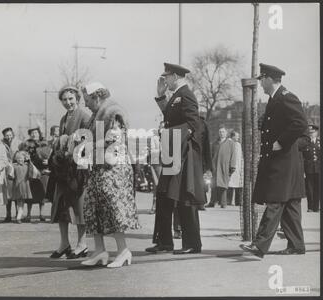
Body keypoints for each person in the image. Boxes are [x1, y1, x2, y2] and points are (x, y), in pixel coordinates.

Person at [240, 63, 308, 258]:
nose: (261, 84)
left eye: (262, 80)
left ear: (270, 79)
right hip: (285, 162)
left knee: (275, 201)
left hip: (283, 162)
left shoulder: (286, 97)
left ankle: (259, 245)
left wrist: (281, 141)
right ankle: (296, 245)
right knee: (290, 205)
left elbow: (300, 123)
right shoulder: (275, 99)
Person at [146, 63, 205, 255]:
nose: (165, 80)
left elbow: (194, 125)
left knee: (184, 200)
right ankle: (164, 242)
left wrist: (168, 133)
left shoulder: (186, 95)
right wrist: (161, 96)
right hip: (175, 154)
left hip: (184, 155)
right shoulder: (176, 96)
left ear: (176, 77)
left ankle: (192, 244)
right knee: (164, 196)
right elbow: (170, 117)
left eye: (167, 77)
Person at [81, 82, 140, 268]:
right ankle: (99, 250)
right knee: (93, 206)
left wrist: (90, 145)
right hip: (100, 168)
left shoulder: (112, 113)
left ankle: (123, 251)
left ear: (96, 97)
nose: (86, 104)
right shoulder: (96, 116)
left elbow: (114, 138)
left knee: (113, 207)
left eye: (87, 100)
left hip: (114, 169)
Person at [48, 85, 91, 259]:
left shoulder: (84, 116)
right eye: (65, 100)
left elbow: (88, 138)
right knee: (61, 205)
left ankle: (82, 243)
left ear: (77, 99)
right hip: (64, 168)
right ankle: (64, 243)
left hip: (78, 167)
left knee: (79, 205)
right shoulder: (64, 118)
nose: (68, 102)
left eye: (71, 99)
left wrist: (71, 142)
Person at [19, 127, 48, 222]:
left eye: (36, 132)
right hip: (31, 170)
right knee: (30, 193)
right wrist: (24, 156)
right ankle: (28, 214)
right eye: (32, 133)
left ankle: (42, 213)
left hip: (42, 171)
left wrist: (47, 162)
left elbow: (49, 154)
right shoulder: (26, 144)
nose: (34, 134)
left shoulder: (44, 143)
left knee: (42, 193)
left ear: (39, 134)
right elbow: (21, 153)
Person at [206, 126, 236, 208]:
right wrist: (210, 166)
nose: (221, 133)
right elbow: (211, 155)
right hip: (215, 167)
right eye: (220, 132)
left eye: (223, 132)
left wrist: (232, 167)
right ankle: (212, 202)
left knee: (223, 186)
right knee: (213, 185)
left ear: (226, 133)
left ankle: (223, 203)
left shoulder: (231, 143)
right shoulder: (215, 143)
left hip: (224, 167)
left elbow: (233, 156)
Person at [2, 127, 21, 222]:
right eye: (6, 135)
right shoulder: (1, 144)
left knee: (17, 192)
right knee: (8, 193)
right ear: (4, 136)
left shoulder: (19, 142)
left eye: (10, 135)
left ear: (13, 134)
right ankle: (8, 214)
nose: (9, 137)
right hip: (7, 169)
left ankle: (18, 214)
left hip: (17, 168)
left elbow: (22, 154)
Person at [8, 151, 33, 223]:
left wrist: (29, 160)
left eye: (21, 159)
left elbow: (31, 171)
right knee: (19, 201)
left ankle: (19, 216)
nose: (20, 160)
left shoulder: (27, 166)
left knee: (22, 201)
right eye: (18, 159)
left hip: (25, 185)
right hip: (17, 185)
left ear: (24, 159)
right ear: (16, 159)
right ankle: (19, 216)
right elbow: (11, 175)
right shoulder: (14, 166)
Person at [301, 123, 320, 212]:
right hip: (308, 169)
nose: (311, 134)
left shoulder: (320, 143)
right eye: (310, 133)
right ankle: (310, 207)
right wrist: (302, 170)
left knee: (318, 188)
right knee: (309, 188)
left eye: (313, 132)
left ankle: (316, 207)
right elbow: (302, 157)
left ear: (317, 133)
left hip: (319, 169)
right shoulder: (305, 143)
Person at [227, 130, 243, 206]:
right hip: (232, 166)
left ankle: (238, 201)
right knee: (230, 184)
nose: (238, 137)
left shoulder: (238, 145)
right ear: (233, 136)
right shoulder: (229, 143)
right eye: (237, 136)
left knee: (238, 184)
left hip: (239, 167)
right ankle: (229, 201)